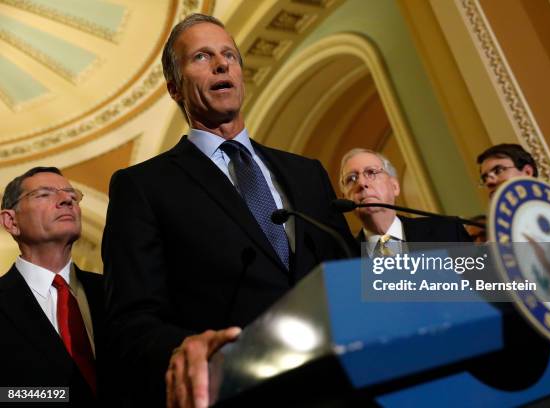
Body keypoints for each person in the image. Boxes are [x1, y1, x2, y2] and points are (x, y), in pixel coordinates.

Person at [102, 13, 354, 406]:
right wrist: (186, 349)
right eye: (201, 57)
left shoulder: (307, 173)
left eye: (229, 56)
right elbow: (133, 321)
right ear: (174, 87)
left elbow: (347, 273)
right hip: (241, 390)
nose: (222, 64)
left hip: (341, 385)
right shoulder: (143, 187)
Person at [0, 167, 103, 405]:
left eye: (72, 194)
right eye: (44, 194)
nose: (66, 199)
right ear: (11, 221)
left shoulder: (115, 293)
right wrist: (59, 395)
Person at [338, 148, 470, 256]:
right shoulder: (342, 261)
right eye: (351, 179)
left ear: (394, 186)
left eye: (371, 172)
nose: (361, 183)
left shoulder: (449, 232)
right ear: (345, 198)